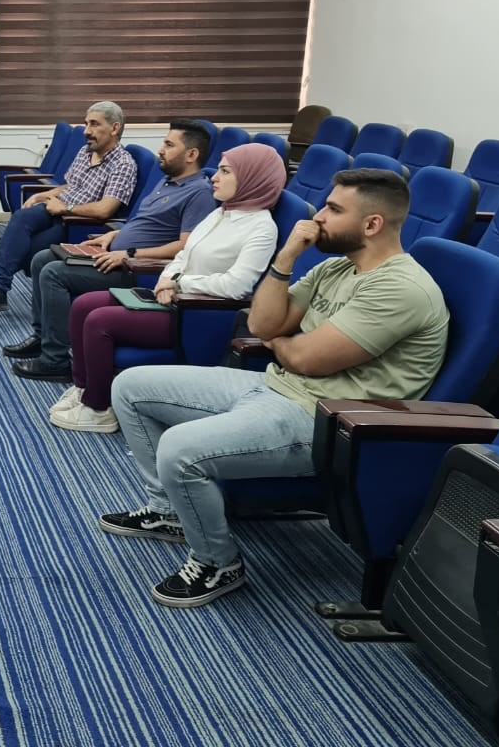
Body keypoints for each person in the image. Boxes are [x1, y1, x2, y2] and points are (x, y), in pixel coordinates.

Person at [100, 169, 449, 608]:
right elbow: (263, 325)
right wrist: (285, 258)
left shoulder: (400, 288)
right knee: (130, 387)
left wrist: (283, 344)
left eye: (333, 209)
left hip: (326, 418)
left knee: (179, 449)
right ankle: (169, 511)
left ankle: (217, 562)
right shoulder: (335, 266)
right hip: (275, 385)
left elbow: (304, 358)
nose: (317, 217)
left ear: (372, 224)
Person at [50, 142, 285, 431]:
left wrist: (179, 282)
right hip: (172, 298)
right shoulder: (221, 213)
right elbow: (184, 254)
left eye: (225, 172)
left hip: (197, 315)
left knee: (100, 320)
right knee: (83, 305)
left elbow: (238, 286)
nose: (214, 177)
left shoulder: (261, 228)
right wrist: (166, 278)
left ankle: (100, 409)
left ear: (252, 178)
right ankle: (86, 389)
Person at [4, 119, 216, 379]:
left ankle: (55, 360)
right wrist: (115, 235)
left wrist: (129, 254)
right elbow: (144, 224)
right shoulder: (167, 181)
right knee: (42, 259)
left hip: (136, 270)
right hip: (114, 255)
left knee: (53, 273)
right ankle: (43, 337)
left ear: (191, 155)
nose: (161, 150)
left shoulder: (199, 193)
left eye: (169, 145)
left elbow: (185, 247)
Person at [0, 101, 139, 319]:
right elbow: (72, 186)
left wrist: (66, 208)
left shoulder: (123, 164)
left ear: (114, 128)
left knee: (16, 253)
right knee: (22, 218)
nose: (87, 131)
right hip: (56, 209)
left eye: (94, 124)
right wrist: (44, 195)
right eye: (87, 123)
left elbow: (105, 209)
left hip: (74, 223)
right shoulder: (85, 151)